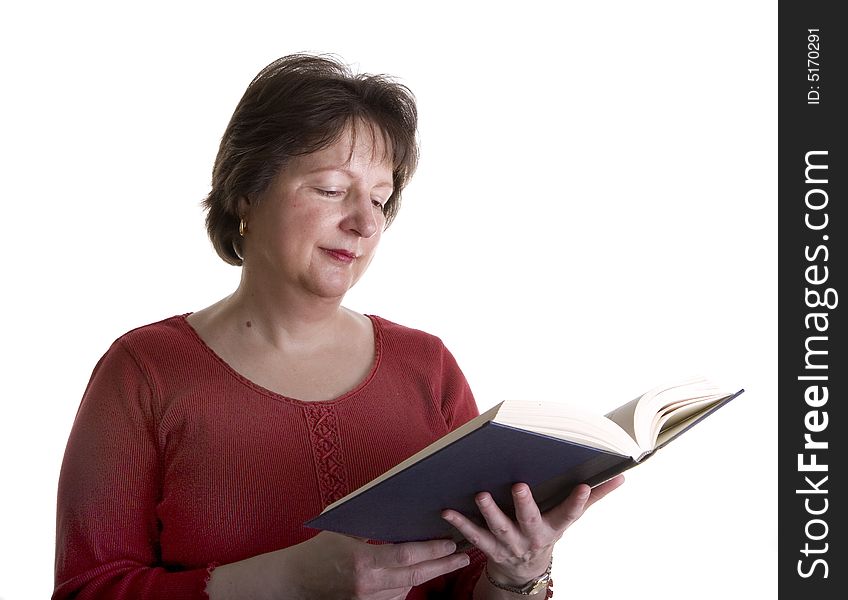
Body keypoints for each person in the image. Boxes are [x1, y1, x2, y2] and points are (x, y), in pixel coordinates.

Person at [52, 53, 624, 600]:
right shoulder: (146, 371)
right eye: (330, 189)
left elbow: (464, 588)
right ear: (246, 193)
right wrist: (287, 583)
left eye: (380, 199)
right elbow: (85, 591)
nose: (362, 222)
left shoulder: (426, 367)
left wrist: (519, 573)